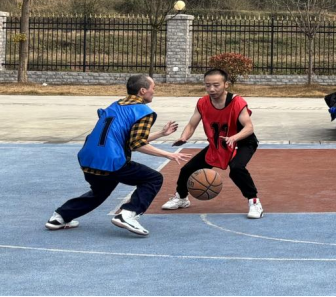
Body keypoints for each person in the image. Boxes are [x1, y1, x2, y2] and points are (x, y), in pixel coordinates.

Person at [46, 75, 188, 236]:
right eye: (153, 88)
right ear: (143, 91)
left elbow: (126, 138)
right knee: (153, 178)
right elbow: (137, 144)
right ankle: (128, 214)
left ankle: (60, 217)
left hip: (88, 158)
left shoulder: (115, 106)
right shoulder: (143, 111)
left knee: (100, 192)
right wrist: (168, 155)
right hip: (111, 161)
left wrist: (161, 134)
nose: (154, 91)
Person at [162, 68, 263, 219]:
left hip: (243, 141)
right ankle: (181, 198)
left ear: (226, 84)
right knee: (187, 169)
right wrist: (184, 137)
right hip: (219, 143)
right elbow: (191, 124)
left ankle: (254, 201)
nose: (211, 89)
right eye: (208, 85)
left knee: (236, 169)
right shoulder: (202, 102)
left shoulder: (237, 102)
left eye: (216, 85)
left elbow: (249, 128)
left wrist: (234, 138)